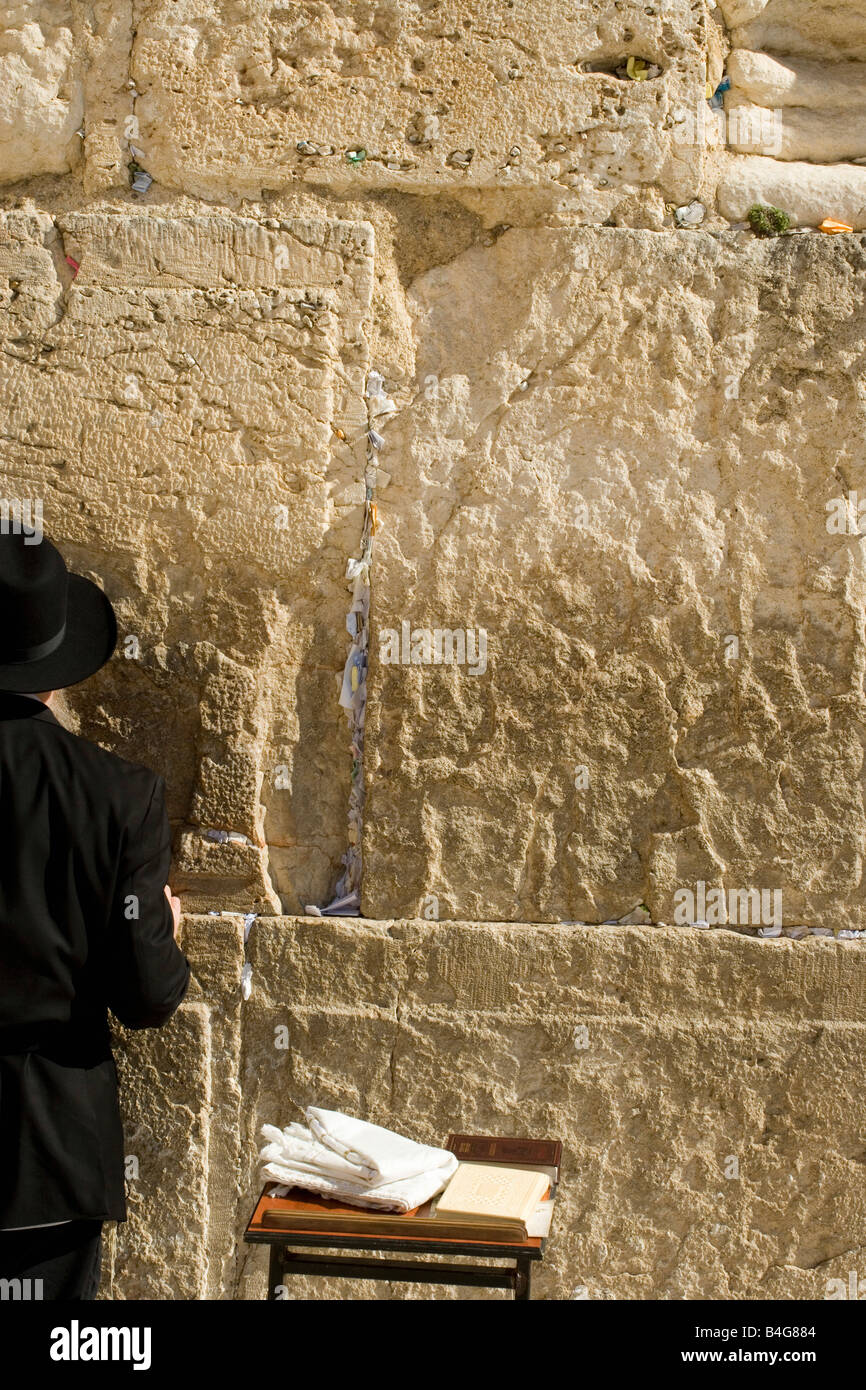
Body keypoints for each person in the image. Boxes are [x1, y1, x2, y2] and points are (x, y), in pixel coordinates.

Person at [0, 527, 190, 1299]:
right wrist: (164, 932)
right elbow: (148, 996)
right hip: (46, 1153)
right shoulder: (118, 795)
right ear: (57, 669)